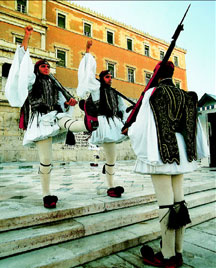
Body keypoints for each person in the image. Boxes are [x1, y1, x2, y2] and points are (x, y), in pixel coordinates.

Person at [127, 61, 209, 268]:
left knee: (165, 202)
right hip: (181, 149)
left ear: (155, 74)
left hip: (161, 148)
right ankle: (178, 251)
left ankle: (167, 256)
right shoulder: (186, 95)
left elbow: (143, 125)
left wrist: (128, 130)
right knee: (179, 201)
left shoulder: (153, 93)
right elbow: (194, 126)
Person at [5, 26, 87, 209]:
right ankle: (46, 193)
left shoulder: (54, 82)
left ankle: (89, 124)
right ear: (37, 68)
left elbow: (61, 100)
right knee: (46, 160)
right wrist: (27, 37)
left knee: (68, 121)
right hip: (41, 119)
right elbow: (22, 61)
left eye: (48, 65)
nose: (47, 67)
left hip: (55, 114)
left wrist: (69, 104)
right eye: (43, 65)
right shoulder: (32, 80)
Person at [76, 40, 128, 198]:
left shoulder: (114, 92)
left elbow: (122, 108)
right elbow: (88, 75)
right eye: (107, 76)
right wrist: (88, 51)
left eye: (111, 76)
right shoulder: (96, 89)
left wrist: (127, 123)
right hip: (104, 124)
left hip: (115, 123)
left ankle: (110, 177)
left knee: (112, 156)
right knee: (111, 156)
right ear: (102, 78)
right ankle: (110, 186)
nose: (110, 79)